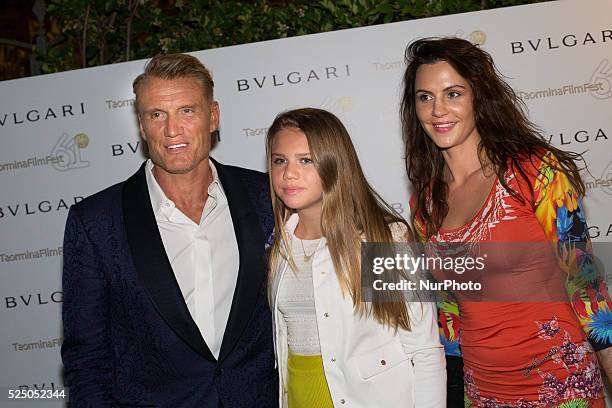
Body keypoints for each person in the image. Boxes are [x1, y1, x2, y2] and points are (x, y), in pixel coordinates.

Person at [401, 37, 612, 406]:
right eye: (425, 97)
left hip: (561, 384)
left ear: (478, 97)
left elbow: (585, 282)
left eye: (453, 93)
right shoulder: (425, 203)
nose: (438, 110)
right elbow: (448, 307)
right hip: (482, 390)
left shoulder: (536, 172)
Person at [61, 53, 277, 407]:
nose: (171, 130)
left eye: (187, 111)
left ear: (213, 116)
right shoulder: (96, 222)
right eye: (156, 115)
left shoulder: (265, 197)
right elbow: (86, 362)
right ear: (142, 127)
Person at [265, 107, 446, 408]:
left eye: (305, 160)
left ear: (334, 164)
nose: (289, 174)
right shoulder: (279, 245)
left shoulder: (382, 239)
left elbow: (424, 350)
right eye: (279, 161)